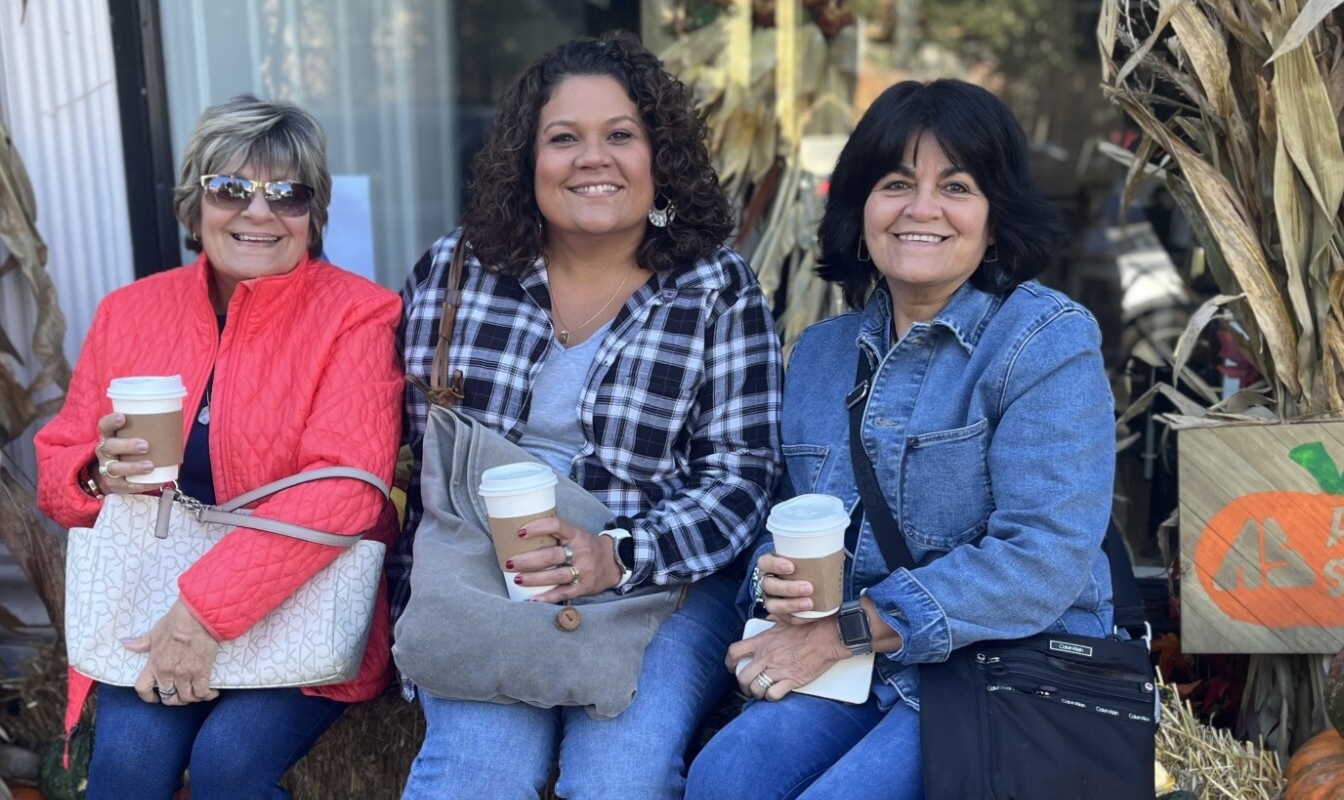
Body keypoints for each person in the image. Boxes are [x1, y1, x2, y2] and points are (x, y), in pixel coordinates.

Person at [685, 79, 1118, 800]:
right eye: (895, 184)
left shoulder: (1044, 341)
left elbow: (1043, 558)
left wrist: (843, 631)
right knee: (723, 778)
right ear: (861, 211)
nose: (922, 209)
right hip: (867, 659)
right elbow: (786, 518)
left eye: (956, 186)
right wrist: (774, 581)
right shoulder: (820, 356)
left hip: (1005, 661)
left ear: (994, 216)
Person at [394, 33, 784, 800]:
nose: (592, 158)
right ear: (526, 161)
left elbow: (742, 477)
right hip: (484, 575)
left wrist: (619, 553)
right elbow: (406, 436)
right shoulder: (458, 269)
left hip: (660, 583)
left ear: (657, 157)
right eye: (564, 138)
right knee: (478, 774)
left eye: (621, 136)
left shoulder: (717, 290)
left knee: (621, 779)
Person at [34, 95, 403, 799]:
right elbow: (58, 469)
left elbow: (347, 489)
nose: (258, 213)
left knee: (230, 766)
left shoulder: (357, 313)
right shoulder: (131, 312)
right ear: (195, 201)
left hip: (298, 605)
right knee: (128, 768)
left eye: (286, 194)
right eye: (231, 189)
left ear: (313, 213)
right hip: (153, 599)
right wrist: (97, 474)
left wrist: (204, 612)